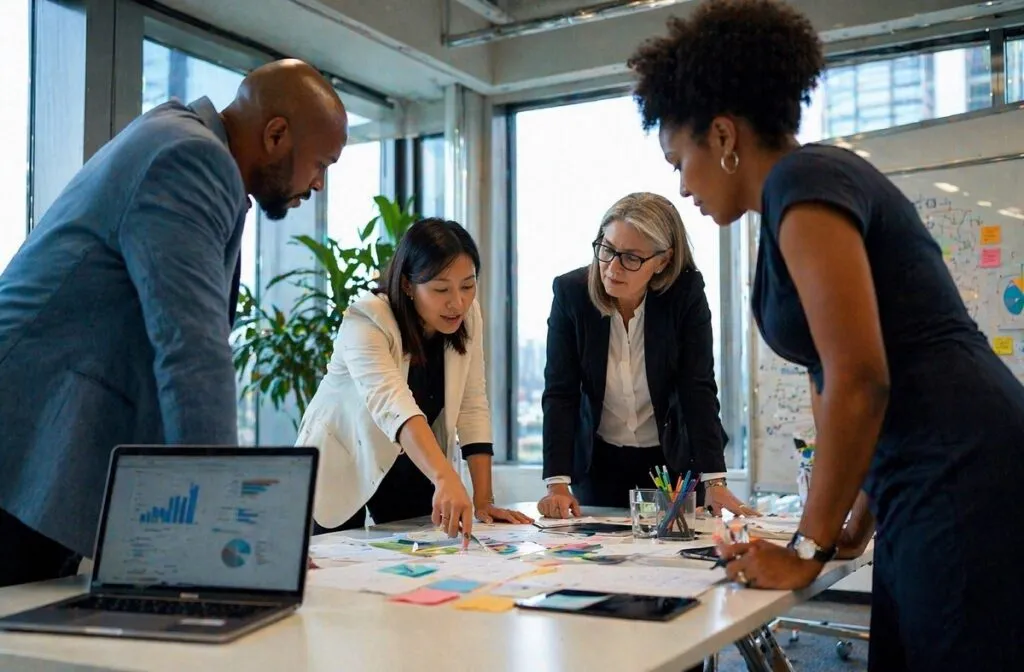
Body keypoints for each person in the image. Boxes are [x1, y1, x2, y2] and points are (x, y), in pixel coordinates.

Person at [628, 1, 1024, 669]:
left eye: (679, 158)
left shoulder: (804, 181)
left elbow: (860, 377)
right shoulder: (794, 196)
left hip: (962, 474)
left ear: (723, 136)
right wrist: (849, 524)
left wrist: (806, 550)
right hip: (922, 475)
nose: (681, 184)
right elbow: (856, 368)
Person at [0, 58, 348, 588]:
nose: (318, 184)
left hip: (42, 439)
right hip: (27, 435)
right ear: (276, 135)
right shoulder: (192, 157)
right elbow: (192, 353)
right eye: (321, 163)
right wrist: (226, 522)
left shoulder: (174, 135)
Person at [296, 218, 532, 540]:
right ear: (408, 284)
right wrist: (445, 476)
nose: (457, 302)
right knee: (331, 571)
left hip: (413, 464)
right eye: (440, 289)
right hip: (344, 461)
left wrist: (484, 500)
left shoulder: (467, 317)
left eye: (467, 285)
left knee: (420, 570)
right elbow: (392, 403)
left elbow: (472, 403)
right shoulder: (366, 319)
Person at [537, 192, 754, 518]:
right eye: (607, 249)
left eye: (631, 258)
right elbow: (560, 392)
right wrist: (557, 484)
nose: (612, 268)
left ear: (662, 261)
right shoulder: (572, 294)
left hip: (671, 463)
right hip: (599, 462)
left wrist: (715, 481)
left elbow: (697, 388)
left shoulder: (684, 295)